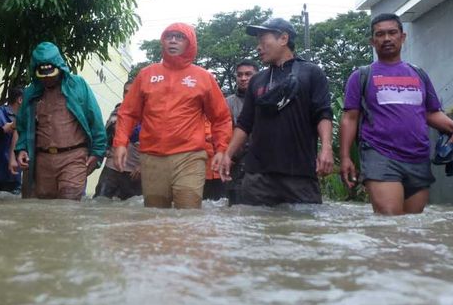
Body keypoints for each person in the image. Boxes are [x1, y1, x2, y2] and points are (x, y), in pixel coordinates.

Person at [339, 13, 453, 215]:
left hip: (418, 157)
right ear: (372, 41)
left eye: (392, 33)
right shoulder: (361, 76)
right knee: (391, 223)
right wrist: (346, 157)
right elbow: (350, 119)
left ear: (403, 37)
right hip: (380, 156)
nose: (386, 39)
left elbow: (431, 113)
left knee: (412, 228)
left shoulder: (419, 74)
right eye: (380, 34)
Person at [113, 23, 233, 209]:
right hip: (151, 157)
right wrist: (120, 143)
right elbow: (127, 113)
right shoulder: (146, 74)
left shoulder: (203, 77)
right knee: (155, 216)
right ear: (163, 41)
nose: (173, 40)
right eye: (169, 36)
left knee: (188, 214)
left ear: (190, 43)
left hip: (190, 157)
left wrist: (221, 149)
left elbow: (221, 118)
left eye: (179, 37)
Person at [217, 18, 334, 206]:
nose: (258, 47)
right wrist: (228, 155)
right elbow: (245, 124)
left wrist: (326, 147)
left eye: (264, 40)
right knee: (254, 230)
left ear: (284, 39)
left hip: (299, 175)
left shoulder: (311, 73)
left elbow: (323, 113)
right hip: (257, 178)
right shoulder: (258, 80)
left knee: (305, 231)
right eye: (258, 42)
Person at [14, 42, 106, 200]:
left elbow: (95, 120)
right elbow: (22, 126)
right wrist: (22, 149)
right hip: (41, 160)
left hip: (74, 157)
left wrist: (97, 153)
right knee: (41, 211)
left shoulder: (78, 86)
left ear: (60, 67)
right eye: (43, 76)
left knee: (67, 207)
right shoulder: (31, 93)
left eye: (51, 74)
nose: (47, 79)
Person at [94, 80, 142, 200]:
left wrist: (143, 165)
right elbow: (105, 136)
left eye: (132, 92)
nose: (128, 95)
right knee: (99, 202)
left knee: (132, 210)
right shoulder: (116, 112)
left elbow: (156, 143)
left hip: (134, 171)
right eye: (125, 92)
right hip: (112, 168)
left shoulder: (149, 114)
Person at [223, 59, 259, 204]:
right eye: (239, 75)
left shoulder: (268, 99)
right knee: (235, 209)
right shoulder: (227, 103)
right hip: (236, 163)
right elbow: (221, 132)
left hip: (263, 164)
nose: (243, 78)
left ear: (257, 76)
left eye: (248, 74)